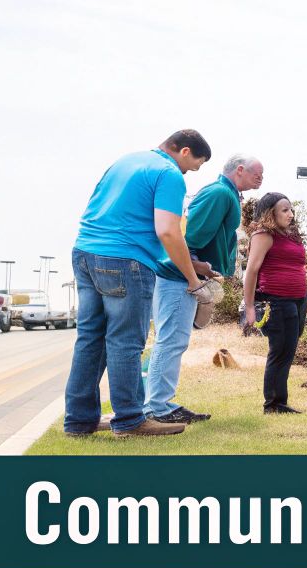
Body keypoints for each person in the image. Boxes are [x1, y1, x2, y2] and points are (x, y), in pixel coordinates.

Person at [64, 130, 213, 437]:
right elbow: (168, 231)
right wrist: (193, 279)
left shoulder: (125, 162)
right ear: (184, 151)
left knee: (90, 339)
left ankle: (79, 421)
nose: (188, 172)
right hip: (125, 261)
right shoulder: (169, 173)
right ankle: (131, 420)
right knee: (125, 342)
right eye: (193, 166)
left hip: (85, 252)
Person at [144, 154, 263, 424]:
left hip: (185, 276)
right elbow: (190, 235)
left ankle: (159, 404)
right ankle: (156, 409)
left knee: (174, 341)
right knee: (171, 341)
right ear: (240, 170)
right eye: (258, 172)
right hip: (180, 277)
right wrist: (197, 270)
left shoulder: (226, 193)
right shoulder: (220, 193)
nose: (261, 178)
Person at [241, 192, 307, 414]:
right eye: (285, 210)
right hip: (278, 300)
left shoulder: (289, 235)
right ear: (271, 213)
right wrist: (250, 307)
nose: (290, 214)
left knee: (288, 351)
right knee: (279, 351)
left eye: (291, 209)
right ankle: (273, 404)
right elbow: (251, 271)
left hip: (298, 299)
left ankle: (280, 401)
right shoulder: (263, 235)